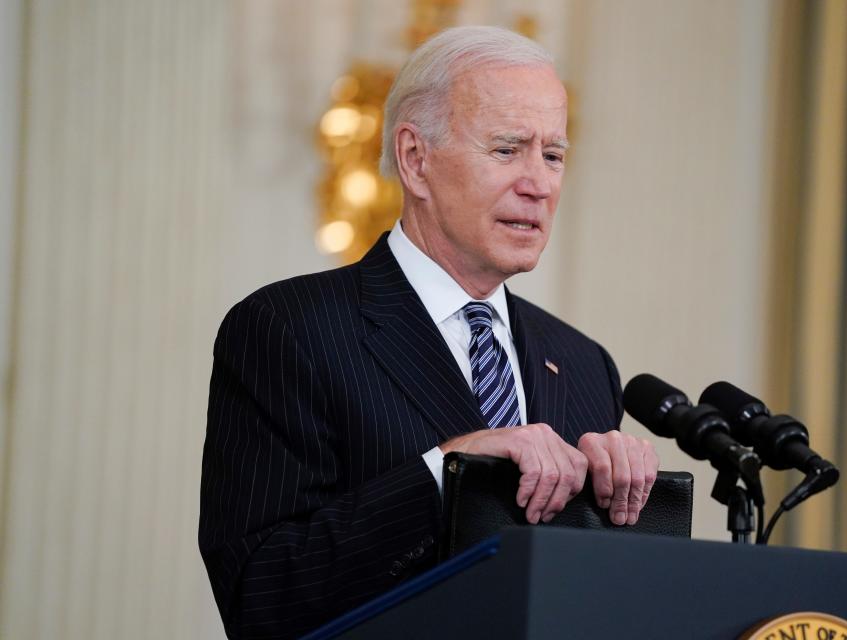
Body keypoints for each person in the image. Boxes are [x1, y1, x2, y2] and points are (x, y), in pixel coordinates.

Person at [199, 25, 659, 639]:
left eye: (553, 155)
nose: (540, 184)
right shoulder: (289, 330)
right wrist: (445, 471)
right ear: (415, 160)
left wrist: (624, 505)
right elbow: (261, 596)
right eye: (507, 150)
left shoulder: (581, 361)